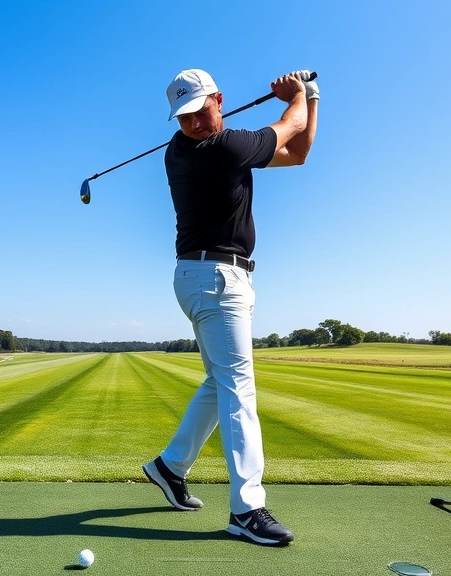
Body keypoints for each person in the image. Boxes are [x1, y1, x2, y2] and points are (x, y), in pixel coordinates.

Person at [142, 68, 319, 546]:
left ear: (218, 99)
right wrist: (297, 95)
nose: (194, 124)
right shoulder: (225, 147)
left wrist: (311, 98)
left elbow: (298, 154)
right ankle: (247, 508)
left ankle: (169, 467)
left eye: (201, 111)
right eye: (185, 118)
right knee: (239, 388)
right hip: (216, 278)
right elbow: (292, 125)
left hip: (206, 277)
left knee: (219, 382)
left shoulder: (188, 150)